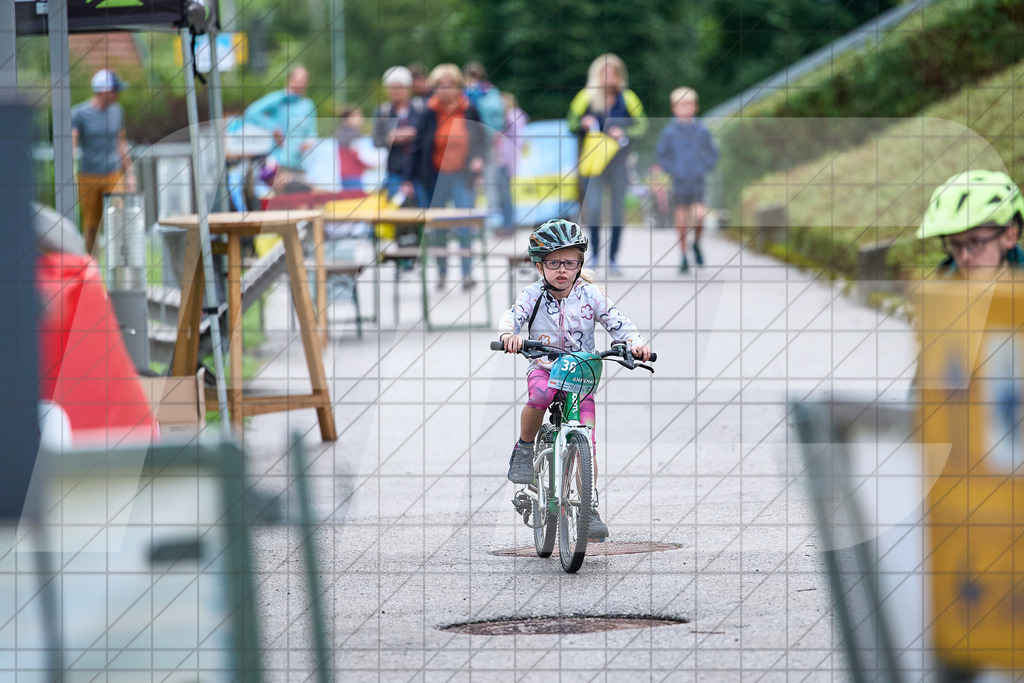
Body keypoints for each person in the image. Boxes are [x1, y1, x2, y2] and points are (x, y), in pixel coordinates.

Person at [497, 219, 652, 540]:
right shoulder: (533, 294)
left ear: (580, 264)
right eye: (553, 263)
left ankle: (588, 506)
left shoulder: (592, 295)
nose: (562, 270)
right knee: (538, 397)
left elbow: (619, 323)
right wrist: (508, 334)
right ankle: (525, 448)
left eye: (570, 262)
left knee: (587, 442)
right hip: (544, 365)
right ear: (539, 266)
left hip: (581, 371)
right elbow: (512, 316)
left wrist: (635, 344)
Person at [405, 64, 487, 290]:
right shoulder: (428, 112)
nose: (445, 89)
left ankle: (467, 272)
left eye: (449, 85)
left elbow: (481, 138)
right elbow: (418, 147)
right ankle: (441, 271)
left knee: (464, 224)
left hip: (462, 175)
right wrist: (410, 179)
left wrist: (478, 158)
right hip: (435, 176)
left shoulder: (469, 109)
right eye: (440, 85)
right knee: (439, 227)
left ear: (458, 86)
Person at [567, 54, 648, 275]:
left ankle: (613, 257)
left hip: (619, 163)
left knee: (617, 211)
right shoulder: (585, 97)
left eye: (613, 72)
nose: (609, 77)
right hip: (593, 163)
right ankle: (594, 253)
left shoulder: (628, 98)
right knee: (592, 209)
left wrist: (625, 132)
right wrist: (582, 124)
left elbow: (642, 126)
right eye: (604, 72)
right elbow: (570, 122)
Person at [71, 69, 136, 255]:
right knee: (91, 227)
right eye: (115, 90)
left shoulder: (117, 111)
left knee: (120, 221)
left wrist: (130, 174)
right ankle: (91, 270)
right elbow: (72, 143)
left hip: (113, 174)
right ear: (103, 91)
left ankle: (122, 268)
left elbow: (121, 143)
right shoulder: (79, 113)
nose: (118, 94)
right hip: (88, 175)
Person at [655, 87, 719, 273]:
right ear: (674, 108)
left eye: (689, 104)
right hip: (679, 182)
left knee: (699, 215)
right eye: (681, 105)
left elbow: (713, 153)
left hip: (698, 180)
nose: (685, 108)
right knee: (682, 219)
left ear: (695, 107)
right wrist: (675, 170)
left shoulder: (702, 130)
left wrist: (704, 167)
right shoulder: (669, 132)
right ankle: (683, 254)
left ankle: (697, 243)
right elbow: (662, 156)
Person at [917, 170, 1024, 277]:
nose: (965, 257)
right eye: (955, 244)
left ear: (1010, 237)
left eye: (976, 242)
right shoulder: (940, 287)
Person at [243, 65, 317, 190]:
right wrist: (273, 128)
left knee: (305, 196)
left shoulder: (308, 105)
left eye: (304, 81)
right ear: (289, 80)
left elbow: (312, 132)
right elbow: (251, 112)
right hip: (278, 161)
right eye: (298, 80)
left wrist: (309, 141)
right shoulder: (278, 99)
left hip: (298, 164)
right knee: (285, 194)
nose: (301, 84)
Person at [372, 66, 426, 206]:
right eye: (392, 87)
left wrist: (415, 134)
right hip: (394, 172)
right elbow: (376, 140)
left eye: (399, 87)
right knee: (395, 211)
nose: (396, 91)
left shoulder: (421, 109)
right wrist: (389, 139)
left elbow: (429, 136)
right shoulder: (383, 112)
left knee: (423, 211)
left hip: (419, 172)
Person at [494, 92, 529, 234]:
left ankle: (508, 225)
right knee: (502, 194)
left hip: (506, 160)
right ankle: (506, 223)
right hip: (501, 160)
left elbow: (518, 140)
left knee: (505, 194)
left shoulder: (513, 115)